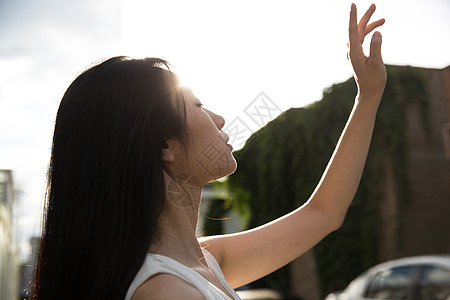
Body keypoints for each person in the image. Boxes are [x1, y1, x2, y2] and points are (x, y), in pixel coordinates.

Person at [33, 3, 386, 300]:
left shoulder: (203, 261)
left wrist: (367, 96)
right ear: (165, 146)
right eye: (198, 105)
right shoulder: (166, 290)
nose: (218, 118)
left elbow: (324, 213)